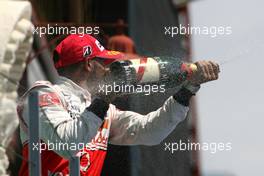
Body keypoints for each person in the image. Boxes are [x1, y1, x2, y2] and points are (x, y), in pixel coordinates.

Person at [18, 34, 219, 176]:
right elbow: (66, 143)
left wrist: (187, 90)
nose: (108, 70)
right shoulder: (43, 95)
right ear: (89, 64)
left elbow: (150, 131)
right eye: (103, 63)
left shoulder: (104, 112)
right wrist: (103, 100)